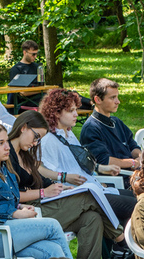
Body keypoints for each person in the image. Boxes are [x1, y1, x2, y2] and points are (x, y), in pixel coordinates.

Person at [6, 111, 116, 259]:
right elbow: (12, 196)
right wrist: (43, 193)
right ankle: (121, 237)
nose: (35, 143)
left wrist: (59, 187)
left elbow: (41, 181)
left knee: (92, 219)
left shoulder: (25, 154)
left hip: (44, 205)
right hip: (29, 214)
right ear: (23, 127)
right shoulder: (7, 156)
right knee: (88, 196)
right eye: (36, 137)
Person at [0, 122, 73, 259]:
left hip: (6, 233)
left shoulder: (3, 168)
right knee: (52, 226)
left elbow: (2, 199)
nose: (7, 147)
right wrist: (14, 213)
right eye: (0, 143)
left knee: (53, 249)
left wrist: (20, 207)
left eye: (6, 141)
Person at [38, 87, 138, 224]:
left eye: (75, 110)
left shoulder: (68, 134)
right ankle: (126, 243)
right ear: (56, 113)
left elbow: (80, 163)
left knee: (141, 197)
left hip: (94, 187)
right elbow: (43, 172)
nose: (76, 115)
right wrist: (65, 177)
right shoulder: (48, 141)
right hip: (79, 195)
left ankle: (124, 243)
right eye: (70, 111)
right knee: (137, 205)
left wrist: (100, 169)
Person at [79, 78, 139, 171]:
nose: (117, 101)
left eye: (117, 97)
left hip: (135, 173)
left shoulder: (116, 122)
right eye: (112, 98)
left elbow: (133, 146)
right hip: (118, 178)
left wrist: (141, 157)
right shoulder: (91, 128)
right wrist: (132, 163)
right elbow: (103, 160)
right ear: (98, 100)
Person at [7, 39, 44, 108]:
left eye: (36, 54)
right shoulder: (16, 69)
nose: (35, 56)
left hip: (40, 99)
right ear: (25, 52)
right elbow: (22, 93)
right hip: (25, 103)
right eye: (33, 54)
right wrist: (41, 91)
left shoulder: (38, 67)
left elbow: (42, 84)